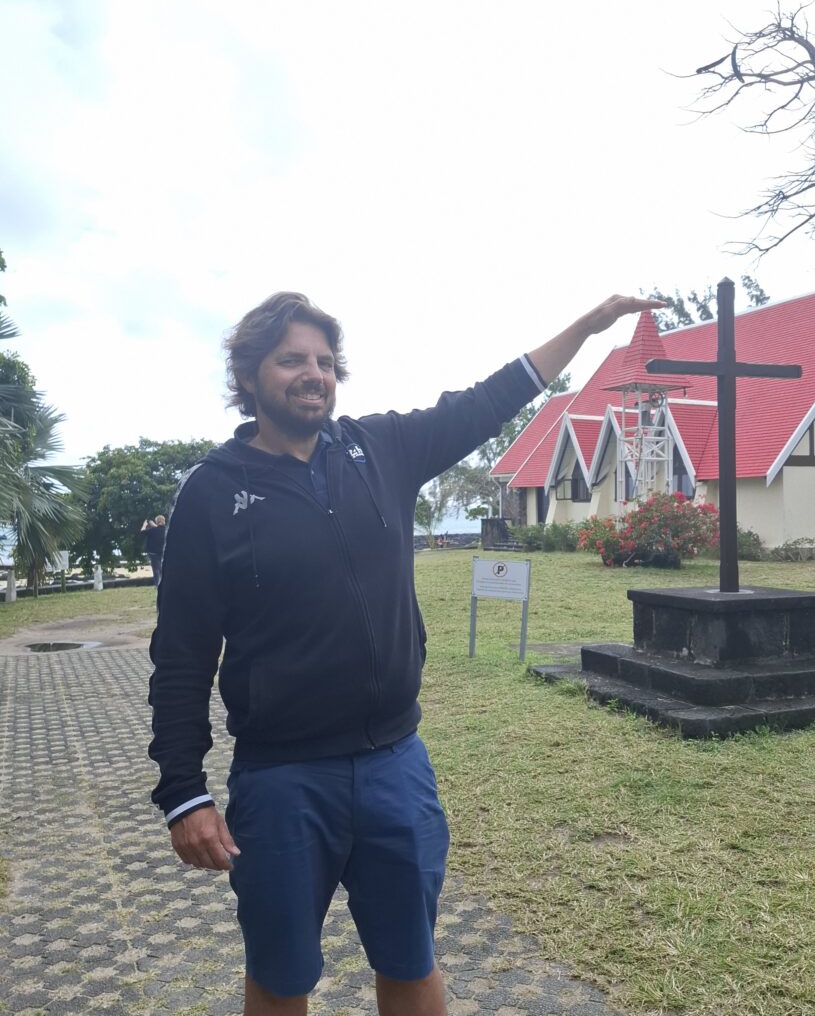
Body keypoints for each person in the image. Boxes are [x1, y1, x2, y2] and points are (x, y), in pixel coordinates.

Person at [147, 290, 666, 1016]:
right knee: (280, 974)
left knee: (410, 958)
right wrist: (184, 792)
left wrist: (584, 327)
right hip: (283, 779)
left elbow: (488, 400)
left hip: (395, 765)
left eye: (324, 361)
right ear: (248, 375)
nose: (313, 374)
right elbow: (181, 655)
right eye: (291, 360)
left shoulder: (379, 450)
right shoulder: (211, 492)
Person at [140, 514, 166, 585]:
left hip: (153, 553)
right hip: (163, 553)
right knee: (162, 569)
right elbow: (159, 529)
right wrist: (154, 525)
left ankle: (158, 584)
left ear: (156, 521)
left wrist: (144, 524)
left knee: (156, 570)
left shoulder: (152, 530)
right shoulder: (166, 530)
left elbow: (142, 531)